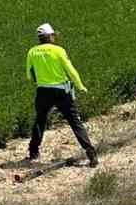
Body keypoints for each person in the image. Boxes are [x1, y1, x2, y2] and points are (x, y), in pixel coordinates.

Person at [25, 22, 98, 166]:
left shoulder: (32, 52)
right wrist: (80, 86)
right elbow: (70, 70)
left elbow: (29, 75)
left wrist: (41, 81)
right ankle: (91, 155)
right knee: (74, 122)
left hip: (42, 91)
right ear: (50, 36)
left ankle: (33, 151)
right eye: (53, 35)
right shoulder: (58, 51)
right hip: (61, 91)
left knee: (40, 120)